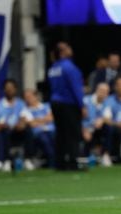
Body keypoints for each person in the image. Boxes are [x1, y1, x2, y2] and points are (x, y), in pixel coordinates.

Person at [48, 42, 85, 171]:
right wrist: (82, 105)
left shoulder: (53, 68)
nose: (70, 49)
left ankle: (60, 162)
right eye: (67, 48)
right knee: (73, 133)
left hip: (55, 102)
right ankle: (73, 162)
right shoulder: (69, 67)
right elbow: (76, 88)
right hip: (68, 103)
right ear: (63, 52)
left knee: (61, 134)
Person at [0, 79, 35, 171]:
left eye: (11, 88)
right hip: (7, 129)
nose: (9, 90)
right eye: (7, 88)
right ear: (4, 90)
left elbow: (25, 116)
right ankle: (6, 160)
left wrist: (21, 123)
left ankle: (27, 159)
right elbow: (0, 120)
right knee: (4, 132)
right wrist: (12, 125)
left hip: (18, 130)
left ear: (15, 89)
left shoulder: (20, 103)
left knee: (28, 130)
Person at [24, 89, 55, 168]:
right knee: (45, 140)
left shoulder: (46, 106)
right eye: (26, 97)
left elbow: (51, 118)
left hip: (52, 130)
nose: (27, 99)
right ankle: (52, 163)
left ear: (35, 96)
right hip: (38, 133)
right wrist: (44, 119)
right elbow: (31, 123)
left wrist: (37, 120)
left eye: (29, 97)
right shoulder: (26, 110)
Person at [82, 82, 111, 167]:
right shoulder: (85, 101)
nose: (104, 93)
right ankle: (84, 158)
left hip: (97, 129)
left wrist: (102, 120)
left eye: (106, 92)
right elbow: (78, 119)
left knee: (108, 128)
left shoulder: (107, 102)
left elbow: (108, 117)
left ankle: (105, 155)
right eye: (102, 91)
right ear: (97, 90)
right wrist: (84, 130)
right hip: (85, 128)